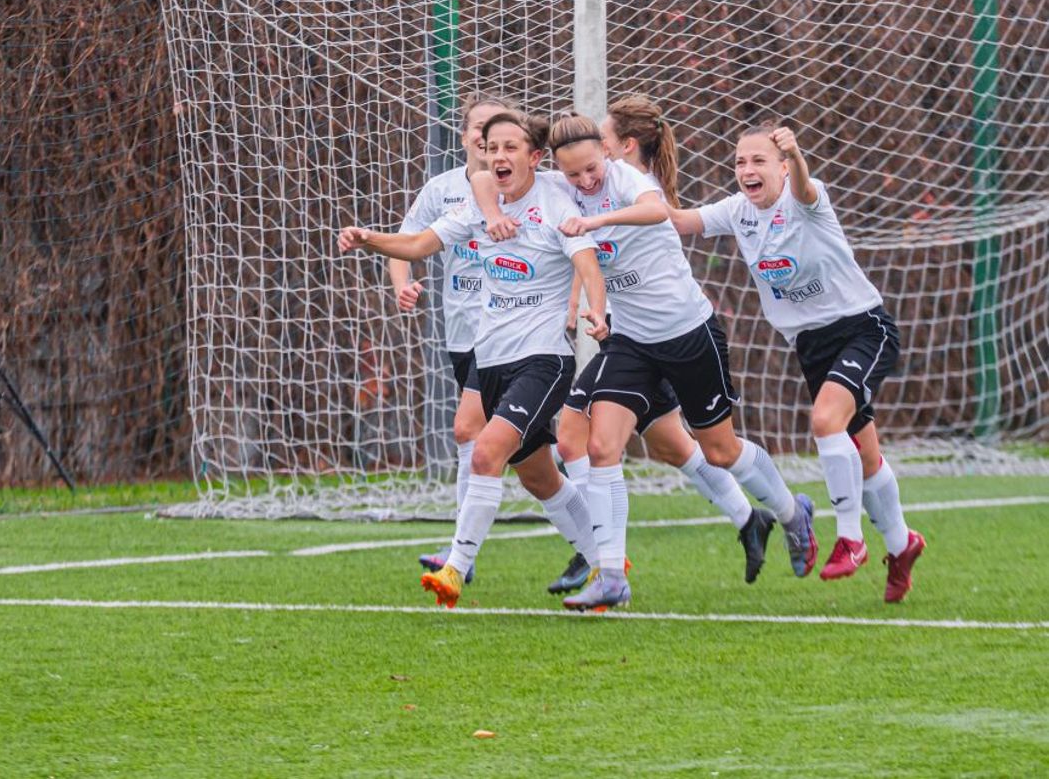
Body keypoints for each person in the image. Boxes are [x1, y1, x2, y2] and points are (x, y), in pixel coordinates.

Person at [477, 108, 817, 612]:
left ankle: (791, 513)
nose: (584, 181)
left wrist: (596, 219)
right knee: (600, 446)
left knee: (720, 450)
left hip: (687, 333)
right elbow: (485, 179)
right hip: (631, 342)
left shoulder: (626, 179)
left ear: (607, 153)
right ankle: (612, 575)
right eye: (572, 174)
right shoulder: (558, 187)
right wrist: (495, 207)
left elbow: (657, 211)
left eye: (591, 169)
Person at [340, 111, 607, 608]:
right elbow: (418, 244)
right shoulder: (476, 206)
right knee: (539, 477)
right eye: (492, 147)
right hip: (491, 362)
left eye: (511, 147)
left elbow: (587, 262)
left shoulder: (555, 201)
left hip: (544, 360)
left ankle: (456, 569)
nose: (499, 156)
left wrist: (596, 307)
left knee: (485, 452)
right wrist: (368, 239)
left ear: (534, 156)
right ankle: (607, 566)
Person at [672, 123, 925, 602]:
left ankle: (850, 538)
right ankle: (901, 544)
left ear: (783, 167)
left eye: (759, 160)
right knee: (865, 455)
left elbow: (807, 188)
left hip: (862, 328)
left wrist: (799, 155)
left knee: (826, 421)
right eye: (740, 162)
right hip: (812, 346)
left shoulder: (806, 197)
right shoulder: (738, 211)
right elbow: (678, 220)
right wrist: (626, 181)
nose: (748, 169)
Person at [385, 94, 512, 582]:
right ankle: (591, 543)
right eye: (479, 127)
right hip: (461, 334)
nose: (486, 137)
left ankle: (461, 554)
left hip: (509, 332)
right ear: (464, 137)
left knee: (466, 430)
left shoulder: (525, 190)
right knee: (533, 457)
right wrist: (402, 284)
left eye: (497, 129)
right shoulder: (442, 190)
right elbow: (406, 242)